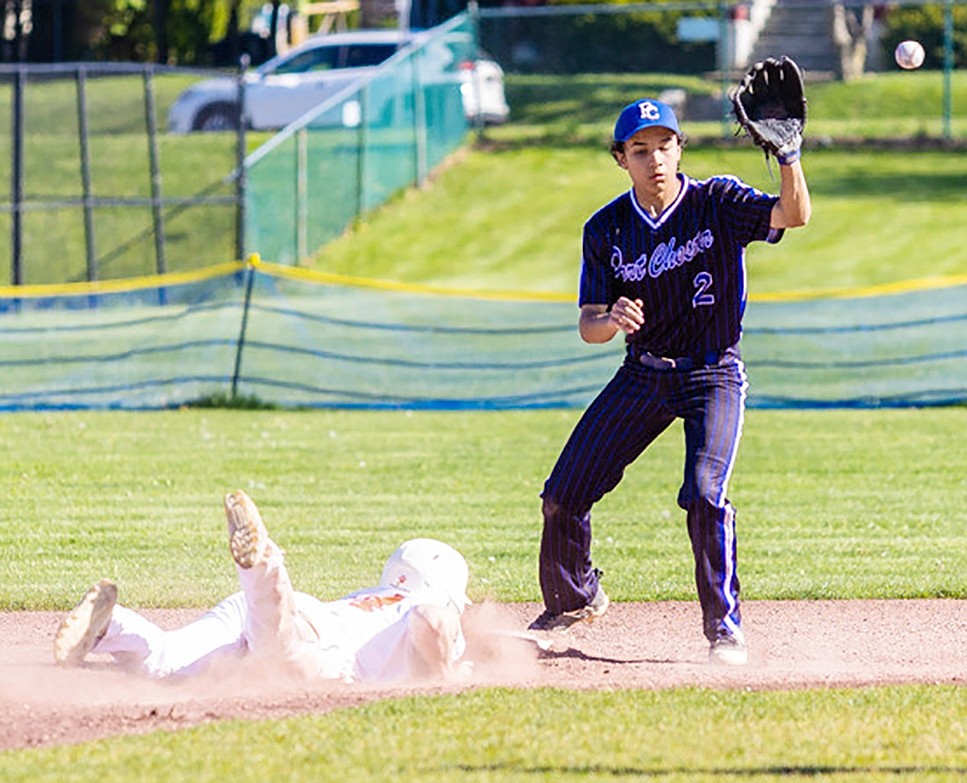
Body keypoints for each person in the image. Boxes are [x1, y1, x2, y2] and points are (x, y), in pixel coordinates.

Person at [528, 98, 811, 665]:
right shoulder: (605, 229)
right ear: (620, 159)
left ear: (680, 149)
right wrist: (609, 321)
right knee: (562, 494)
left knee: (705, 496)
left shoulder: (718, 201)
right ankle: (574, 598)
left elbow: (793, 214)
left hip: (713, 372)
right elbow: (588, 324)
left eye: (665, 145)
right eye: (640, 149)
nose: (654, 158)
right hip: (644, 371)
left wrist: (788, 155)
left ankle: (724, 630)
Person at [53, 490, 472, 683]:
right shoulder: (424, 606)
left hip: (292, 612)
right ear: (447, 587)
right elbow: (432, 618)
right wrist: (447, 675)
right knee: (277, 645)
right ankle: (264, 561)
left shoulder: (371, 598)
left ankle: (112, 625)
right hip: (317, 643)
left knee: (168, 661)